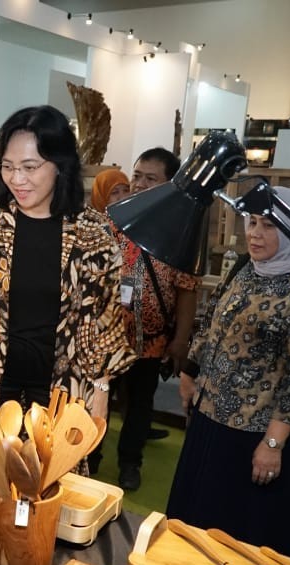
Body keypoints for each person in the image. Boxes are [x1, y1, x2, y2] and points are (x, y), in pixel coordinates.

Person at [0, 105, 134, 434]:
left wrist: (100, 392)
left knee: (47, 480)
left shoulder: (93, 237)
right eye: (9, 167)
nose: (17, 179)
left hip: (61, 393)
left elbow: (104, 324)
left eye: (30, 167)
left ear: (60, 165)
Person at [166, 187, 290, 557]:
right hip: (212, 416)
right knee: (195, 526)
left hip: (256, 432)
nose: (255, 234)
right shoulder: (249, 266)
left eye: (270, 226)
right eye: (252, 223)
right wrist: (190, 374)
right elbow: (213, 320)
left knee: (242, 538)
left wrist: (273, 444)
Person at [95, 148, 200, 490]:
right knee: (97, 400)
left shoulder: (182, 229)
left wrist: (181, 339)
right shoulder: (112, 219)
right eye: (136, 175)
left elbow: (187, 290)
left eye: (149, 178)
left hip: (151, 339)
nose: (138, 184)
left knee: (140, 405)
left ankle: (130, 463)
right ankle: (89, 457)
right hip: (105, 336)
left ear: (170, 184)